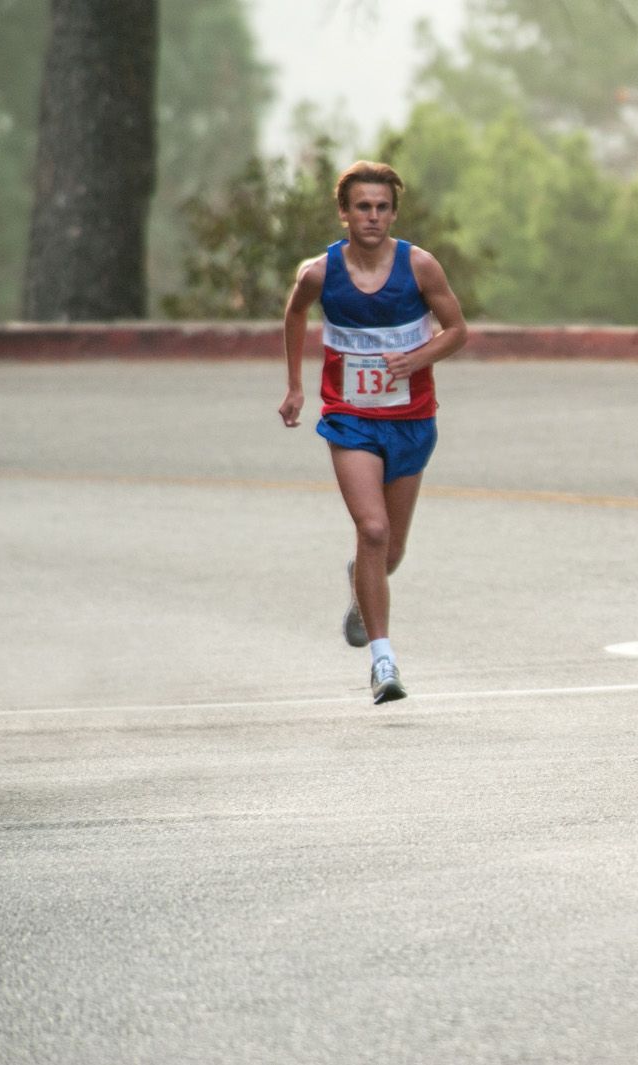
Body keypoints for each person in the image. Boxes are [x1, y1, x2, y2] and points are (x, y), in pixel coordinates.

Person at [278, 160, 468, 704]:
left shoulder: (421, 267)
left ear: (393, 213)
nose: (373, 217)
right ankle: (384, 663)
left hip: (410, 422)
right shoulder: (320, 273)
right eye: (363, 206)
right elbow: (295, 315)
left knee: (391, 551)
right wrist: (295, 387)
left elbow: (457, 331)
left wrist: (416, 359)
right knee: (374, 529)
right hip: (351, 420)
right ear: (344, 212)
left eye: (383, 207)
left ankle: (362, 586)